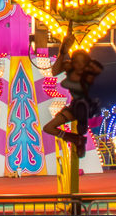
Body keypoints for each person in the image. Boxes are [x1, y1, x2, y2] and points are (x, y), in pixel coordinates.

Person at [41, 22, 103, 158]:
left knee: (82, 116)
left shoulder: (90, 70)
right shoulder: (70, 67)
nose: (79, 65)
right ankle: (75, 139)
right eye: (76, 62)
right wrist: (62, 52)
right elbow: (54, 71)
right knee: (48, 128)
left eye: (82, 62)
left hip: (88, 105)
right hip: (74, 106)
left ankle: (80, 131)